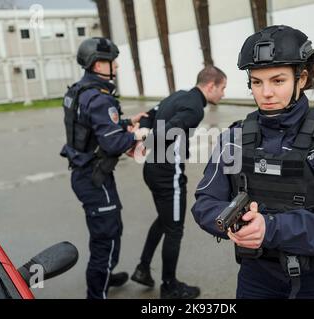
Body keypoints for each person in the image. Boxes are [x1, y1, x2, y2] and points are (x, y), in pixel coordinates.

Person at [191, 25, 314, 299]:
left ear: (301, 79)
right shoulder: (234, 138)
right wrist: (230, 223)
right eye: (256, 82)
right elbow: (206, 201)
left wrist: (271, 228)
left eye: (277, 81)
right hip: (256, 278)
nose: (265, 93)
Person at [60, 37, 148, 299]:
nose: (116, 67)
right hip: (95, 178)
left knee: (111, 229)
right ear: (98, 64)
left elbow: (89, 127)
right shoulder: (100, 98)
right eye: (113, 62)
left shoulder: (79, 91)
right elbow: (112, 144)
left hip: (85, 174)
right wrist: (137, 134)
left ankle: (106, 275)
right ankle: (97, 293)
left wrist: (123, 121)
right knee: (106, 238)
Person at [130, 66, 227, 299]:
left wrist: (143, 132)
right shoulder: (195, 108)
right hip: (168, 176)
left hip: (152, 170)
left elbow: (148, 115)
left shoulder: (178, 95)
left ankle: (143, 269)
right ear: (210, 86)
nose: (223, 94)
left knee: (164, 221)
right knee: (174, 229)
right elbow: (169, 131)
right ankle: (169, 286)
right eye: (222, 88)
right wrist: (148, 139)